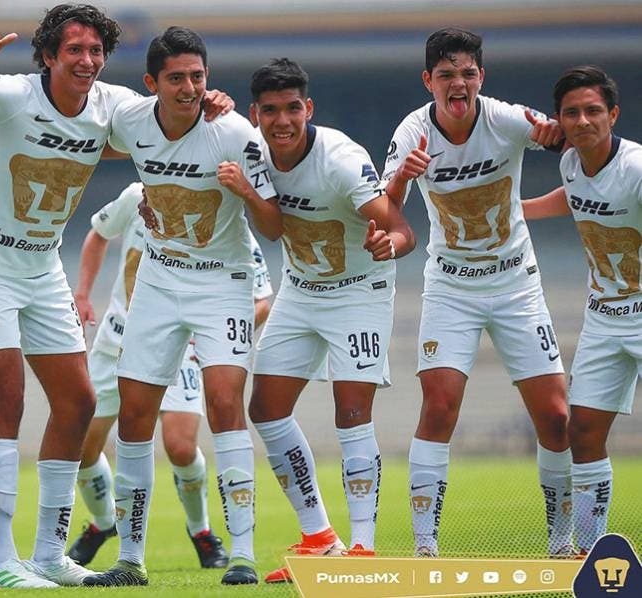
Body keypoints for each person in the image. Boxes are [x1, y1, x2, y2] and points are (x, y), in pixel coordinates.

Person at [0, 4, 232, 589]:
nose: (88, 60)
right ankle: (0, 563)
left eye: (96, 51)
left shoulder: (113, 106)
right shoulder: (10, 94)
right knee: (8, 402)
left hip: (42, 266)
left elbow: (168, 120)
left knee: (77, 404)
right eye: (74, 49)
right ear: (48, 55)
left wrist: (207, 105)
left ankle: (49, 555)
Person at [82, 26, 281, 587]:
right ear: (152, 83)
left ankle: (242, 555)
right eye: (176, 78)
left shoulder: (234, 132)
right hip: (159, 282)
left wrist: (245, 191)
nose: (190, 88)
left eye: (197, 76)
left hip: (223, 284)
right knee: (134, 415)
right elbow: (85, 131)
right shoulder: (131, 120)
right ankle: (130, 560)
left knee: (225, 406)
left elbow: (273, 225)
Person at [382, 27, 572, 557]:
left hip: (516, 283)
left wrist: (560, 132)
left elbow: (563, 135)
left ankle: (564, 545)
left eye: (467, 73)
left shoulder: (506, 119)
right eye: (446, 75)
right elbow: (386, 205)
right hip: (451, 288)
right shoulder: (413, 131)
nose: (458, 83)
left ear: (481, 78)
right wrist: (402, 179)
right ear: (429, 81)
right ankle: (425, 549)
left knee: (557, 416)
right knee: (439, 408)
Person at [245, 58, 416, 583]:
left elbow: (403, 231)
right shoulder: (250, 153)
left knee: (351, 412)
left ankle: (362, 549)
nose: (282, 121)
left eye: (292, 108)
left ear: (309, 109)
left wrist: (390, 244)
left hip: (359, 292)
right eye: (270, 110)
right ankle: (319, 538)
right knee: (266, 410)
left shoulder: (341, 160)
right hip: (300, 291)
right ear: (255, 115)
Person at [68, 181, 273, 569]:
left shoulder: (225, 215)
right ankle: (104, 521)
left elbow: (262, 299)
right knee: (81, 448)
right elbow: (98, 233)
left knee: (179, 447)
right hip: (116, 343)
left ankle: (201, 531)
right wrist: (81, 293)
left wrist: (212, 334)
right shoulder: (138, 195)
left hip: (181, 349)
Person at [522, 65, 638, 556]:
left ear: (613, 114)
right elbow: (575, 198)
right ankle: (589, 553)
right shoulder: (571, 163)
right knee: (583, 432)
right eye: (572, 113)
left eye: (593, 110)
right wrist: (515, 211)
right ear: (560, 120)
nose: (583, 120)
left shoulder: (636, 169)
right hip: (604, 318)